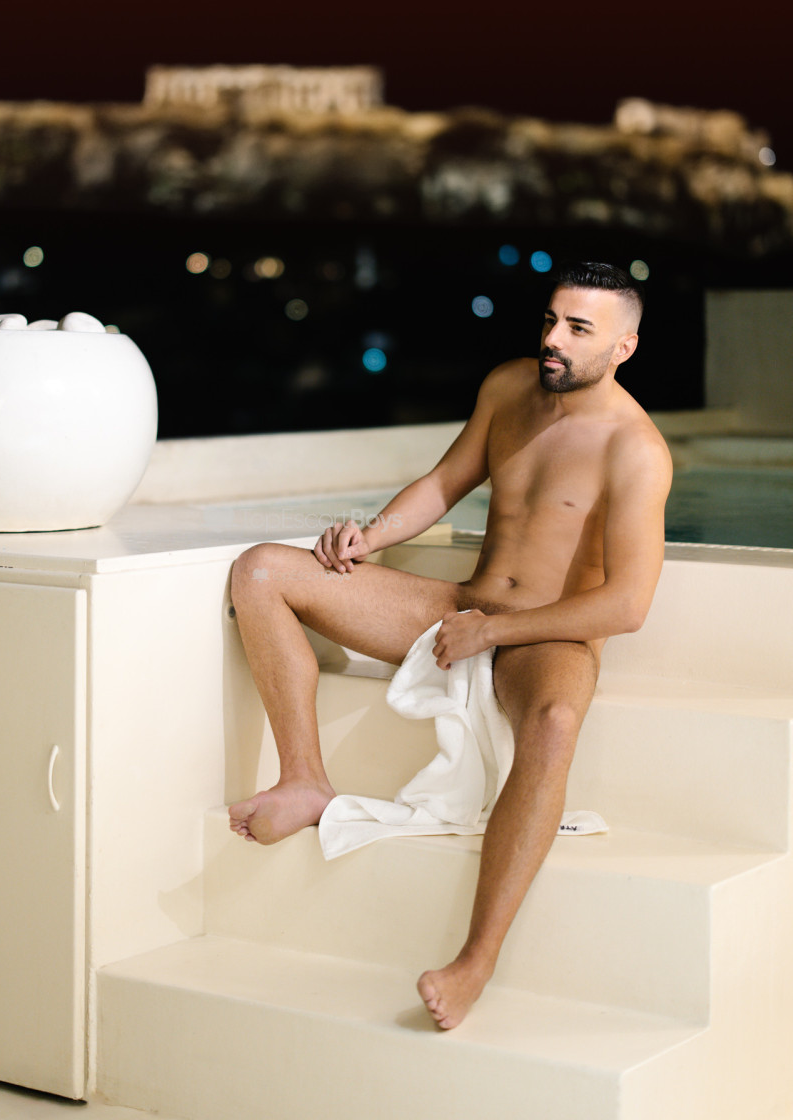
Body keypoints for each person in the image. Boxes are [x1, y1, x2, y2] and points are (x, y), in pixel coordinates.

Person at [227, 261, 673, 1030]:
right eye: (551, 320)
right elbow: (442, 484)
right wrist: (370, 537)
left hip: (547, 632)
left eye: (578, 329)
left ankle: (475, 961)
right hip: (461, 605)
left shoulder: (636, 449)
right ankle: (303, 780)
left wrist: (494, 632)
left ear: (623, 348)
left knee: (555, 723)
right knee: (261, 571)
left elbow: (627, 605)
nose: (554, 340)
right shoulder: (509, 388)